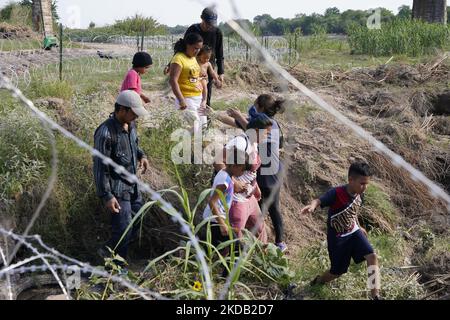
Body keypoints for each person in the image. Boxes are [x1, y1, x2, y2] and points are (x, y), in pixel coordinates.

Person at [300, 162, 382, 300]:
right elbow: (318, 200)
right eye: (362, 183)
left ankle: (375, 296)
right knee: (337, 271)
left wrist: (358, 225)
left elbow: (353, 211)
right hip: (338, 238)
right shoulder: (337, 193)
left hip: (354, 232)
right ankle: (318, 281)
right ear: (350, 180)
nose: (365, 187)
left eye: (367, 184)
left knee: (372, 256)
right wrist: (312, 207)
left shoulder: (360, 194)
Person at [218, 94, 287, 252]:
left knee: (268, 207)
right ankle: (266, 243)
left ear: (261, 107)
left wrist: (238, 115)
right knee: (265, 206)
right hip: (268, 172)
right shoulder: (261, 125)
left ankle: (273, 242)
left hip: (269, 173)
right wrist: (216, 115)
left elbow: (248, 127)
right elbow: (239, 124)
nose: (252, 106)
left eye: (255, 103)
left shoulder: (269, 125)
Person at [93, 90, 150, 271]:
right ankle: (117, 269)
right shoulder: (105, 133)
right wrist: (107, 196)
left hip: (133, 186)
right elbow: (100, 168)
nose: (136, 117)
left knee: (137, 220)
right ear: (122, 110)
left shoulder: (131, 125)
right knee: (123, 230)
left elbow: (134, 145)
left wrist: (141, 155)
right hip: (117, 191)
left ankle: (107, 250)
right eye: (133, 113)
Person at [213, 114, 274, 243]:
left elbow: (250, 170)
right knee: (234, 239)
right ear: (256, 131)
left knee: (260, 230)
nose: (267, 136)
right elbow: (218, 160)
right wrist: (234, 182)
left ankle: (262, 259)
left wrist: (255, 188)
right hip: (237, 200)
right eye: (266, 133)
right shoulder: (240, 143)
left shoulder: (254, 143)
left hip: (249, 197)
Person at [203, 147, 249, 249]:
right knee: (238, 248)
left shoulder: (226, 174)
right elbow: (212, 202)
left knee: (210, 249)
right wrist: (222, 224)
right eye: (242, 170)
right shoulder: (224, 180)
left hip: (215, 220)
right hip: (214, 221)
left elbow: (224, 195)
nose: (243, 173)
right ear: (234, 166)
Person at [184, 6, 224, 108]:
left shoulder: (217, 32)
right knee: (191, 95)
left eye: (212, 24)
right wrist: (170, 64)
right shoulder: (193, 29)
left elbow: (220, 54)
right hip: (192, 68)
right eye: (207, 23)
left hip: (208, 68)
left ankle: (205, 121)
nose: (209, 26)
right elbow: (182, 47)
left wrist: (221, 73)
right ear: (201, 18)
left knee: (206, 95)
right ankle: (192, 119)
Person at [169, 33, 207, 134]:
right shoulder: (178, 59)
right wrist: (181, 100)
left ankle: (194, 145)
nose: (197, 51)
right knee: (195, 126)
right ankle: (184, 145)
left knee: (203, 126)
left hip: (197, 97)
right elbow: (173, 80)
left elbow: (190, 75)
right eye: (195, 48)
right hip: (187, 98)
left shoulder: (192, 57)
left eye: (199, 48)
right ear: (187, 45)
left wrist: (200, 75)